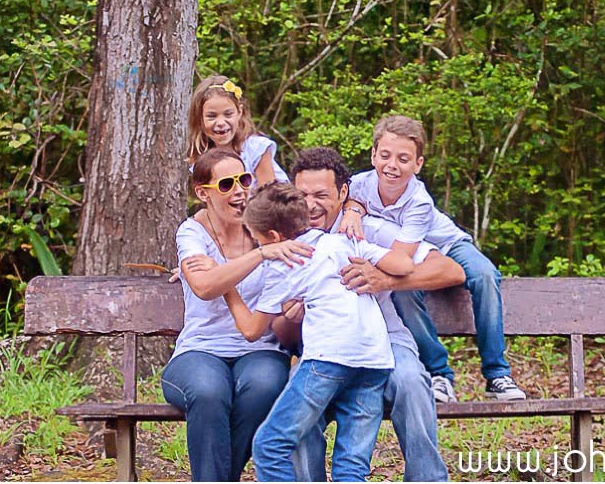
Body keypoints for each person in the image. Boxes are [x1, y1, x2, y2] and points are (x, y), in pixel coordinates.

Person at [222, 181, 413, 482]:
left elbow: (251, 329)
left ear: (274, 238)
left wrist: (229, 291)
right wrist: (376, 271)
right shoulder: (343, 241)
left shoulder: (285, 262)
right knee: (351, 467)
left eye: (258, 240)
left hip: (328, 361)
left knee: (269, 445)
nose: (259, 246)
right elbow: (403, 263)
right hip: (375, 362)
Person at [290, 146, 457, 481]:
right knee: (294, 402)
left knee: (411, 383)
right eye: (302, 194)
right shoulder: (287, 238)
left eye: (321, 194)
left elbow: (449, 269)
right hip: (323, 348)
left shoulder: (368, 229)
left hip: (387, 339)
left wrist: (384, 278)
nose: (310, 204)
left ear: (343, 193)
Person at [340, 115, 527, 402]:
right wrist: (353, 209)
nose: (392, 165)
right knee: (402, 294)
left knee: (485, 276)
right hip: (406, 250)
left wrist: (381, 277)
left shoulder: (419, 200)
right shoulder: (358, 184)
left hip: (445, 246)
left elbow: (402, 259)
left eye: (403, 159)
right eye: (386, 156)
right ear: (373, 155)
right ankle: (439, 372)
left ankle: (497, 373)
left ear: (418, 165)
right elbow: (351, 200)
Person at [161, 148, 312, 482]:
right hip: (200, 349)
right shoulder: (192, 232)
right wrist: (259, 256)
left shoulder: (261, 227)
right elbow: (203, 286)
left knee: (264, 386)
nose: (240, 190)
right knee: (208, 391)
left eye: (244, 180)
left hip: (259, 349)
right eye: (227, 184)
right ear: (204, 193)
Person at [187, 75, 289, 184]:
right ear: (199, 118)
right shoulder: (201, 160)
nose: (221, 123)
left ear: (239, 112)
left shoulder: (255, 149)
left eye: (228, 114)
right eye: (212, 116)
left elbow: (269, 194)